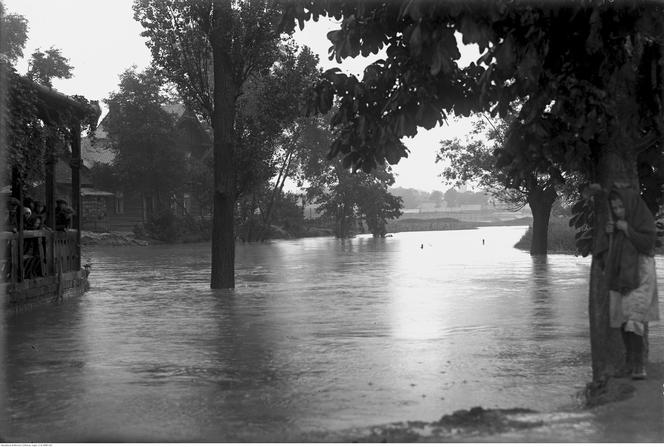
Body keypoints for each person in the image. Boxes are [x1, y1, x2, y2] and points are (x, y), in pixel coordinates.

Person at [601, 187, 659, 380]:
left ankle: (638, 365)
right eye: (614, 207)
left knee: (634, 318)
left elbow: (647, 243)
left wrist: (628, 230)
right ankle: (629, 363)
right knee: (624, 319)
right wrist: (612, 232)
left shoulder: (643, 219)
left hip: (641, 272)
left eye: (621, 207)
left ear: (629, 205)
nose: (618, 211)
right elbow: (612, 250)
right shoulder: (616, 224)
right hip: (621, 275)